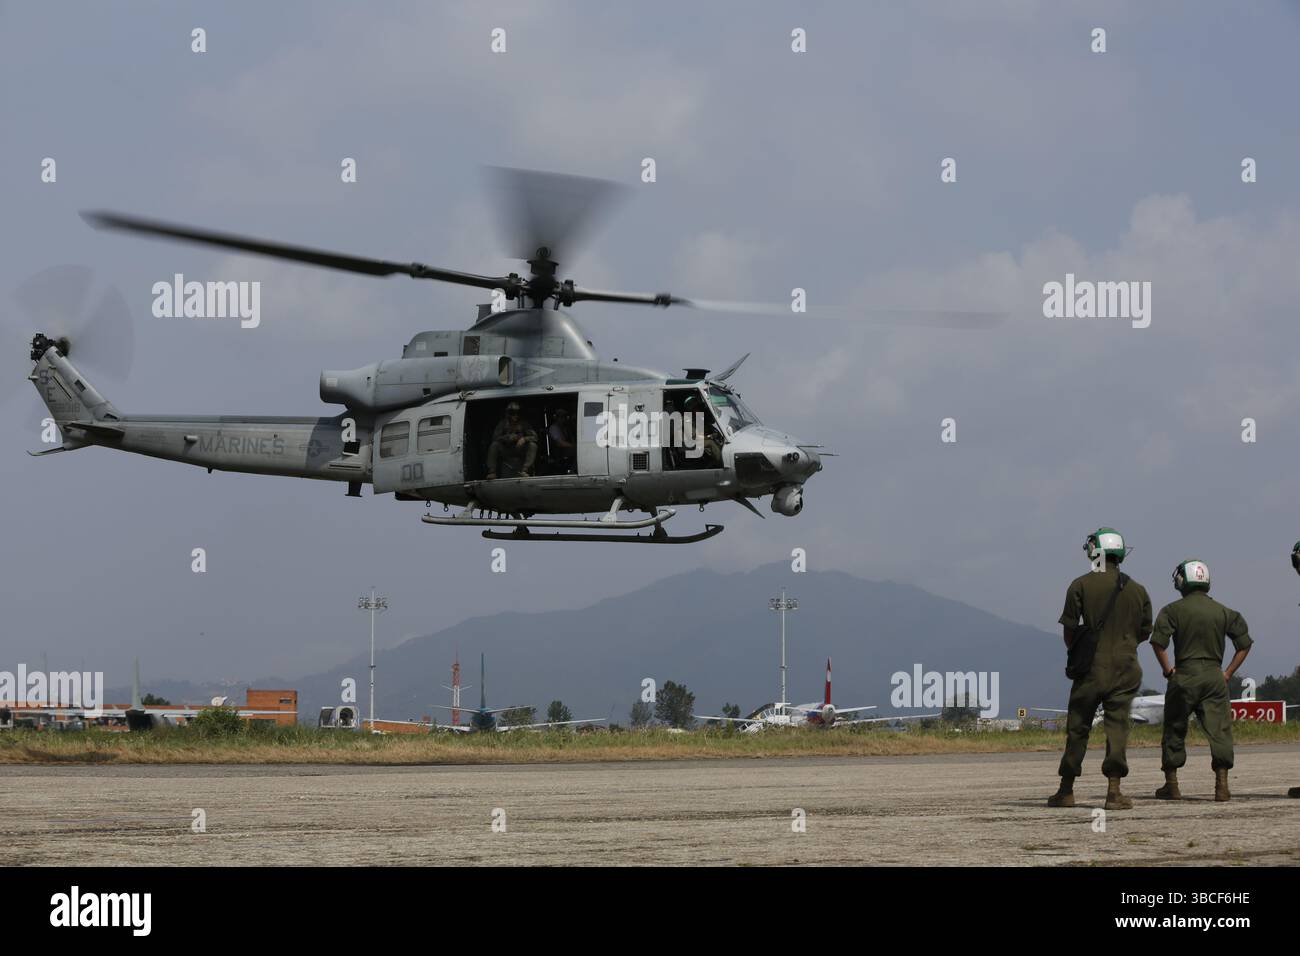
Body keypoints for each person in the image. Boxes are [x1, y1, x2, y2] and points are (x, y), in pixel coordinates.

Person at [1049, 527, 1153, 810]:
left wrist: (1079, 652)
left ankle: (1066, 790)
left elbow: (1069, 630)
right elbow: (1145, 632)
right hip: (1126, 668)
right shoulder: (1138, 590)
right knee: (1117, 727)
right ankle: (1114, 791)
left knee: (1079, 727)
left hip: (1091, 668)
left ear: (1094, 551)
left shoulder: (1080, 585)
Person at [1149, 559, 1251, 802]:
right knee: (1220, 730)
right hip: (1215, 677)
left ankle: (1171, 784)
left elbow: (1157, 643)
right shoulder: (1224, 611)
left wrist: (1168, 671)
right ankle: (1222, 785)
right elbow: (1244, 644)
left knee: (1174, 728)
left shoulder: (1172, 610)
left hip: (1183, 675)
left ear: (1182, 580)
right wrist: (1227, 673)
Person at [485, 401, 537, 479]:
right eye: (513, 413)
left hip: (519, 449)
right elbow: (495, 438)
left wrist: (524, 439)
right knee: (494, 445)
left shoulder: (523, 424)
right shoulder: (502, 424)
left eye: (517, 413)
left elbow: (535, 437)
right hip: (506, 450)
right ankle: (492, 472)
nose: (515, 416)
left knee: (533, 445)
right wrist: (507, 438)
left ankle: (524, 470)